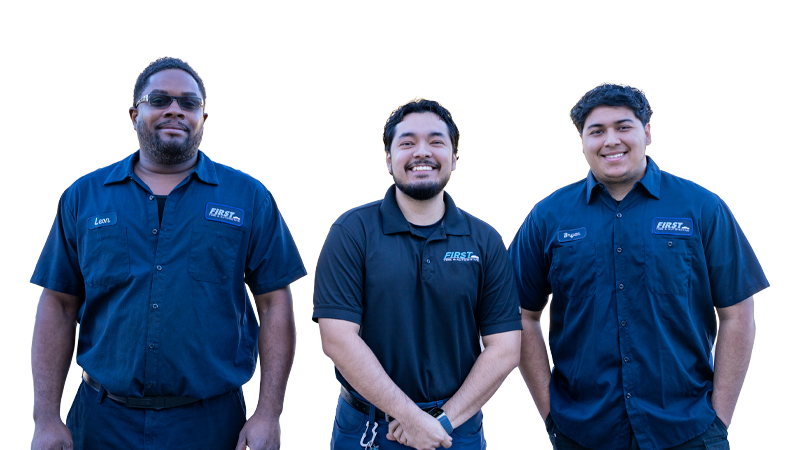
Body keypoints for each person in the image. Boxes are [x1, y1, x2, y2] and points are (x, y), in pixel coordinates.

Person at [30, 56, 306, 450]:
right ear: (134, 115)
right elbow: (58, 303)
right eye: (159, 100)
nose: (175, 110)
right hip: (103, 423)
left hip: (212, 426)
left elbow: (275, 303)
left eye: (189, 103)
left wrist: (268, 414)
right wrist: (44, 419)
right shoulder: (83, 197)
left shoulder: (248, 197)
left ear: (202, 119)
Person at [508, 82, 769, 450]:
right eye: (597, 131)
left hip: (687, 429)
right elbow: (520, 314)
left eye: (623, 127)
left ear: (647, 132)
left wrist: (719, 418)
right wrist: (551, 414)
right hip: (583, 432)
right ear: (583, 141)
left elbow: (738, 314)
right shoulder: (548, 216)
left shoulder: (702, 208)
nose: (610, 140)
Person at [312, 99, 522, 450]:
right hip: (369, 430)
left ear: (455, 158)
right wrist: (409, 417)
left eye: (436, 141)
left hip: (455, 430)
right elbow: (337, 339)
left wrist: (441, 421)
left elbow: (505, 347)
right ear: (388, 158)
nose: (422, 152)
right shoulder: (351, 232)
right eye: (407, 142)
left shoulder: (485, 240)